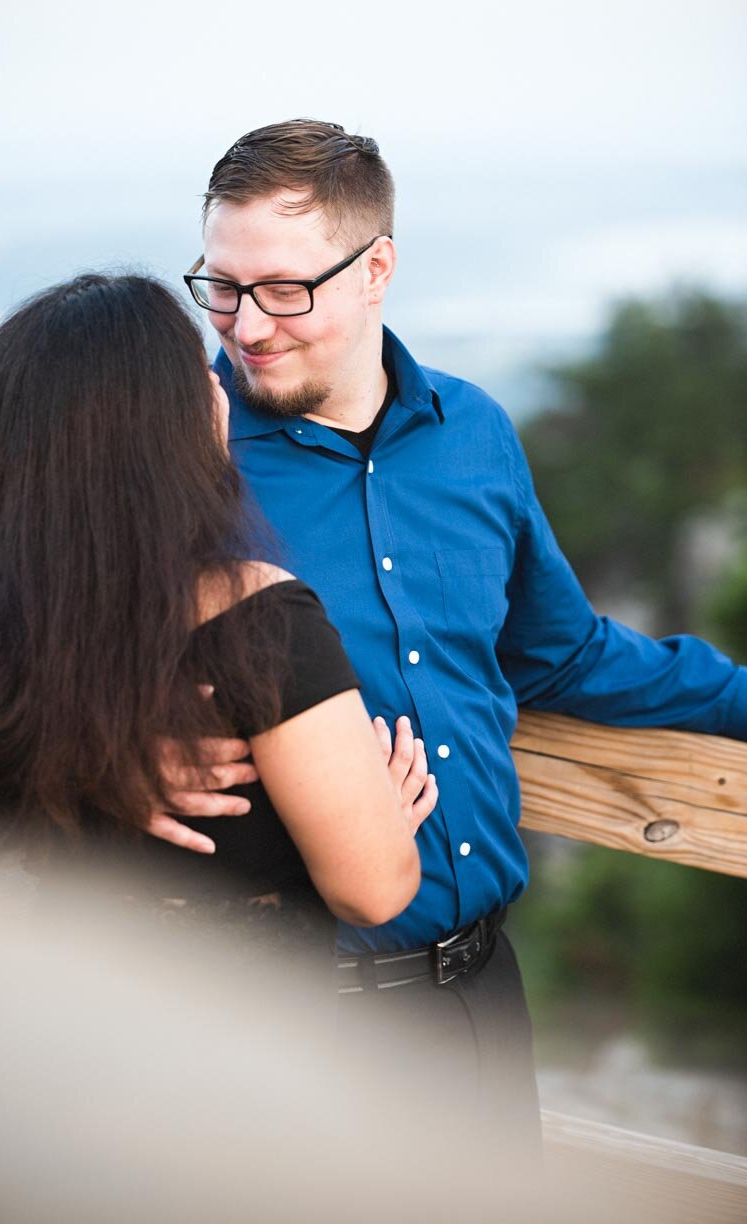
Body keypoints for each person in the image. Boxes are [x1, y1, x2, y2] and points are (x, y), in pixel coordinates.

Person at [149, 117, 747, 1142]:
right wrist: (115, 749)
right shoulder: (171, 451)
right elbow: (13, 653)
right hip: (276, 1016)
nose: (245, 326)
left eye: (285, 289)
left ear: (376, 267)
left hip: (479, 995)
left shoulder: (473, 431)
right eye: (223, 286)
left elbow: (560, 655)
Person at [0, 271, 439, 955]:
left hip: (47, 1027)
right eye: (199, 375)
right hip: (234, 1040)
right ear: (175, 423)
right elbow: (373, 891)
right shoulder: (256, 617)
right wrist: (380, 817)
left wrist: (82, 756)